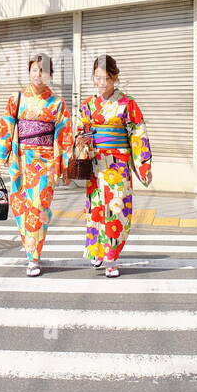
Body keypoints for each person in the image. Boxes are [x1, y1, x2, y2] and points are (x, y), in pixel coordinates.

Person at [0, 53, 72, 276]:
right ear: (29, 72)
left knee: (38, 207)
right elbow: (6, 126)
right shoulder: (17, 99)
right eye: (35, 70)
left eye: (43, 71)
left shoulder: (57, 103)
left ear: (50, 75)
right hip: (21, 162)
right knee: (21, 208)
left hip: (44, 164)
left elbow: (64, 135)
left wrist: (64, 166)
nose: (38, 74)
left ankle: (34, 258)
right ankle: (29, 246)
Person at [78, 54, 153, 278]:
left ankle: (112, 256)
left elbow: (138, 133)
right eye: (98, 78)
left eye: (107, 78)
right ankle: (97, 250)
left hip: (118, 165)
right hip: (95, 164)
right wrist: (82, 142)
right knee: (95, 209)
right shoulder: (88, 105)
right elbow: (80, 131)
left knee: (117, 208)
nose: (102, 83)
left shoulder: (127, 103)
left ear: (115, 78)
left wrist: (143, 165)